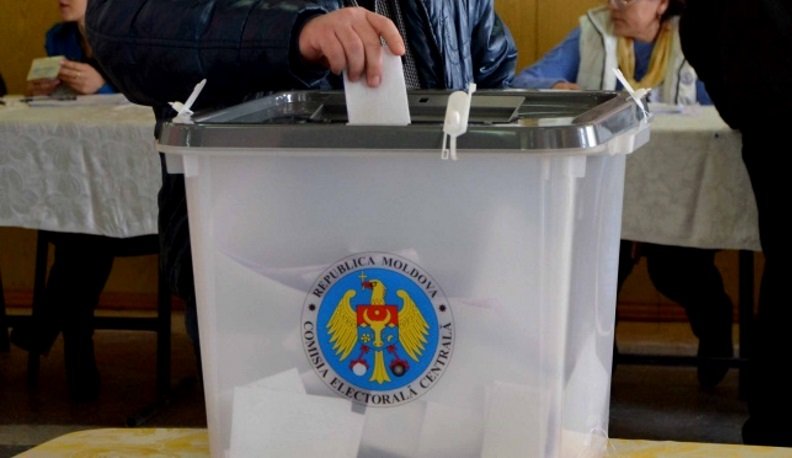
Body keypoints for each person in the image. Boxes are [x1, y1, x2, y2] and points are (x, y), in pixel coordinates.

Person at [83, 0, 518, 377]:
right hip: (269, 265)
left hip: (438, 255)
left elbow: (490, 68)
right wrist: (293, 32)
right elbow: (121, 25)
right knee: (284, 428)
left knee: (438, 426)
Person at [512, 0, 734, 390]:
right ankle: (598, 370)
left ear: (662, 3)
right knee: (598, 271)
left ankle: (716, 326)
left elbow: (722, 102)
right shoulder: (593, 31)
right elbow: (523, 82)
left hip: (677, 190)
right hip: (599, 194)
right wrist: (558, 87)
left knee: (675, 270)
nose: (616, 2)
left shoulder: (694, 35)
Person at [680, 0, 792, 447]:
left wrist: (740, 102)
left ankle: (774, 426)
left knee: (788, 271)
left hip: (768, 117)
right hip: (774, 117)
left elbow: (696, 29)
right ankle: (776, 425)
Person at [10, 0, 119, 402]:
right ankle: (70, 350)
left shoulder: (128, 36)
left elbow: (157, 99)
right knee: (84, 229)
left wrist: (103, 88)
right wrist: (45, 91)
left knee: (86, 231)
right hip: (79, 170)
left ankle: (46, 329)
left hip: (129, 175)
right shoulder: (58, 37)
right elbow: (66, 110)